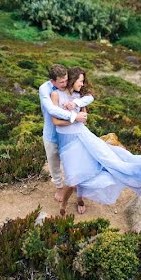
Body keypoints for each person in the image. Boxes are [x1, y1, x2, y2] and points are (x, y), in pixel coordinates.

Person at [51, 67, 141, 216]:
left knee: (105, 164)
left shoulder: (80, 97)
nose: (82, 84)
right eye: (80, 81)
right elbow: (56, 122)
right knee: (72, 179)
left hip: (83, 137)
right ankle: (64, 204)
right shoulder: (56, 94)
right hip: (67, 141)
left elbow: (84, 118)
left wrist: (77, 111)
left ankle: (80, 199)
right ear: (73, 80)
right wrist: (74, 118)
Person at [38, 64, 88, 202]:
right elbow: (52, 110)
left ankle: (75, 182)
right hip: (51, 133)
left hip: (69, 134)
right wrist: (74, 118)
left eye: (66, 80)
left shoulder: (67, 86)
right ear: (52, 81)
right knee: (54, 161)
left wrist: (80, 107)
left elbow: (83, 97)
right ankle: (59, 187)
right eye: (61, 82)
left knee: (72, 159)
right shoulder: (45, 89)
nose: (65, 84)